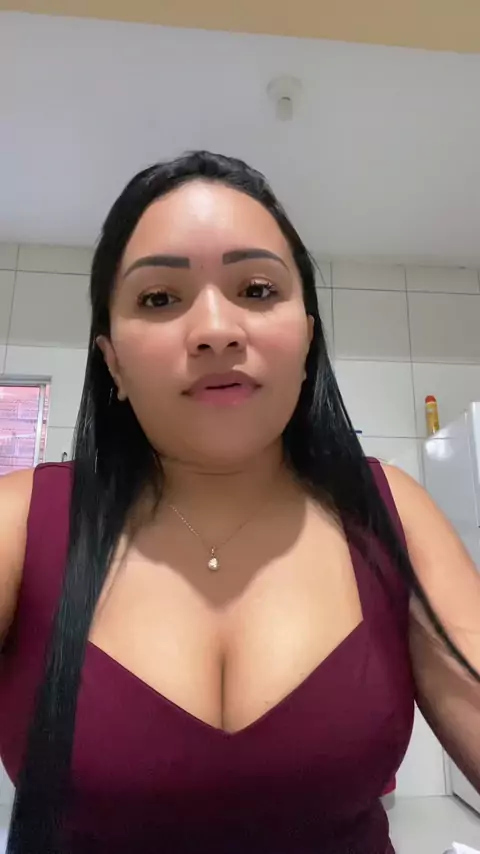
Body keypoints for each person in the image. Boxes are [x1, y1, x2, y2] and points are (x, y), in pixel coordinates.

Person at [0, 151, 479, 854]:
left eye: (256, 289)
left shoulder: (390, 510)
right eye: (159, 298)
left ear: (307, 338)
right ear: (113, 361)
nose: (216, 329)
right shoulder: (18, 521)